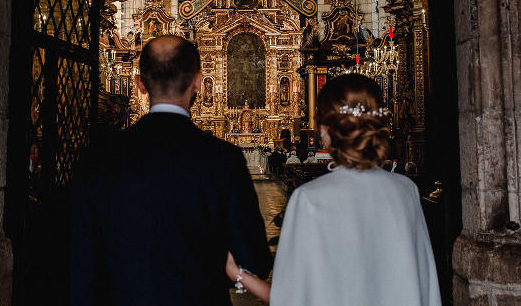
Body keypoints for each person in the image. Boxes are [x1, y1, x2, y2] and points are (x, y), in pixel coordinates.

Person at [71, 35, 272, 305]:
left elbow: (81, 260)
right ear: (199, 81)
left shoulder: (100, 157)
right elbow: (253, 260)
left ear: (140, 84)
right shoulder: (224, 159)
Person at [226, 73, 441, 306]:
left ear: (325, 131)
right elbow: (426, 283)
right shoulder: (406, 190)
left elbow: (287, 298)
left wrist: (235, 272)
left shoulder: (310, 198)